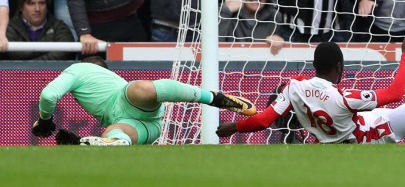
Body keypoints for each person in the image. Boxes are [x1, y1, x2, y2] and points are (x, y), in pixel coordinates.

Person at [216, 29, 405, 144]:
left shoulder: (293, 88)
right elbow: (396, 92)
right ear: (339, 67)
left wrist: (233, 128)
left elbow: (264, 119)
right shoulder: (343, 97)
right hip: (367, 136)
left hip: (343, 133)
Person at [32, 56, 256, 146]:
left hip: (141, 120)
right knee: (113, 133)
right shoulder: (111, 80)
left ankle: (214, 97)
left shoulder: (78, 69)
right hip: (149, 126)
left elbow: (49, 95)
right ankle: (114, 141)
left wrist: (44, 120)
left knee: (138, 89)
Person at [1, 0, 74, 61]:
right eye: (32, 4)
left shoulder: (59, 27)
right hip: (16, 73)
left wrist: (32, 65)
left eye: (41, 3)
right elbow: (13, 54)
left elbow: (63, 52)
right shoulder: (9, 28)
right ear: (21, 7)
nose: (37, 9)